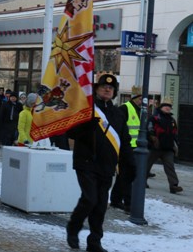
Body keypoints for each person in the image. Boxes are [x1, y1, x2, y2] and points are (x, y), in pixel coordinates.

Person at [66, 74, 134, 252]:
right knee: (89, 199)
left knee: (101, 206)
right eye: (103, 86)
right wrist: (85, 126)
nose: (107, 89)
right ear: (96, 89)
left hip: (107, 165)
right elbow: (71, 132)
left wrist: (130, 164)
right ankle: (73, 227)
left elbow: (124, 141)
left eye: (111, 88)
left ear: (115, 92)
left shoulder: (118, 114)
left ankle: (94, 242)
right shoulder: (86, 109)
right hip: (86, 162)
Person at [109, 85, 141, 211]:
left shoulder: (139, 110)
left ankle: (116, 200)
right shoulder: (125, 108)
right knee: (127, 175)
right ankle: (128, 203)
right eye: (139, 98)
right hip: (125, 147)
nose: (141, 101)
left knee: (124, 176)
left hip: (134, 147)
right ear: (134, 98)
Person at [146, 97, 183, 194]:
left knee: (170, 167)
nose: (167, 108)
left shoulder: (172, 120)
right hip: (155, 147)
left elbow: (175, 133)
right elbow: (149, 128)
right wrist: (153, 138)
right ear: (161, 107)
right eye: (165, 106)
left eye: (169, 106)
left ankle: (174, 186)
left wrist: (176, 144)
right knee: (147, 165)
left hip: (168, 148)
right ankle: (142, 182)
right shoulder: (154, 118)